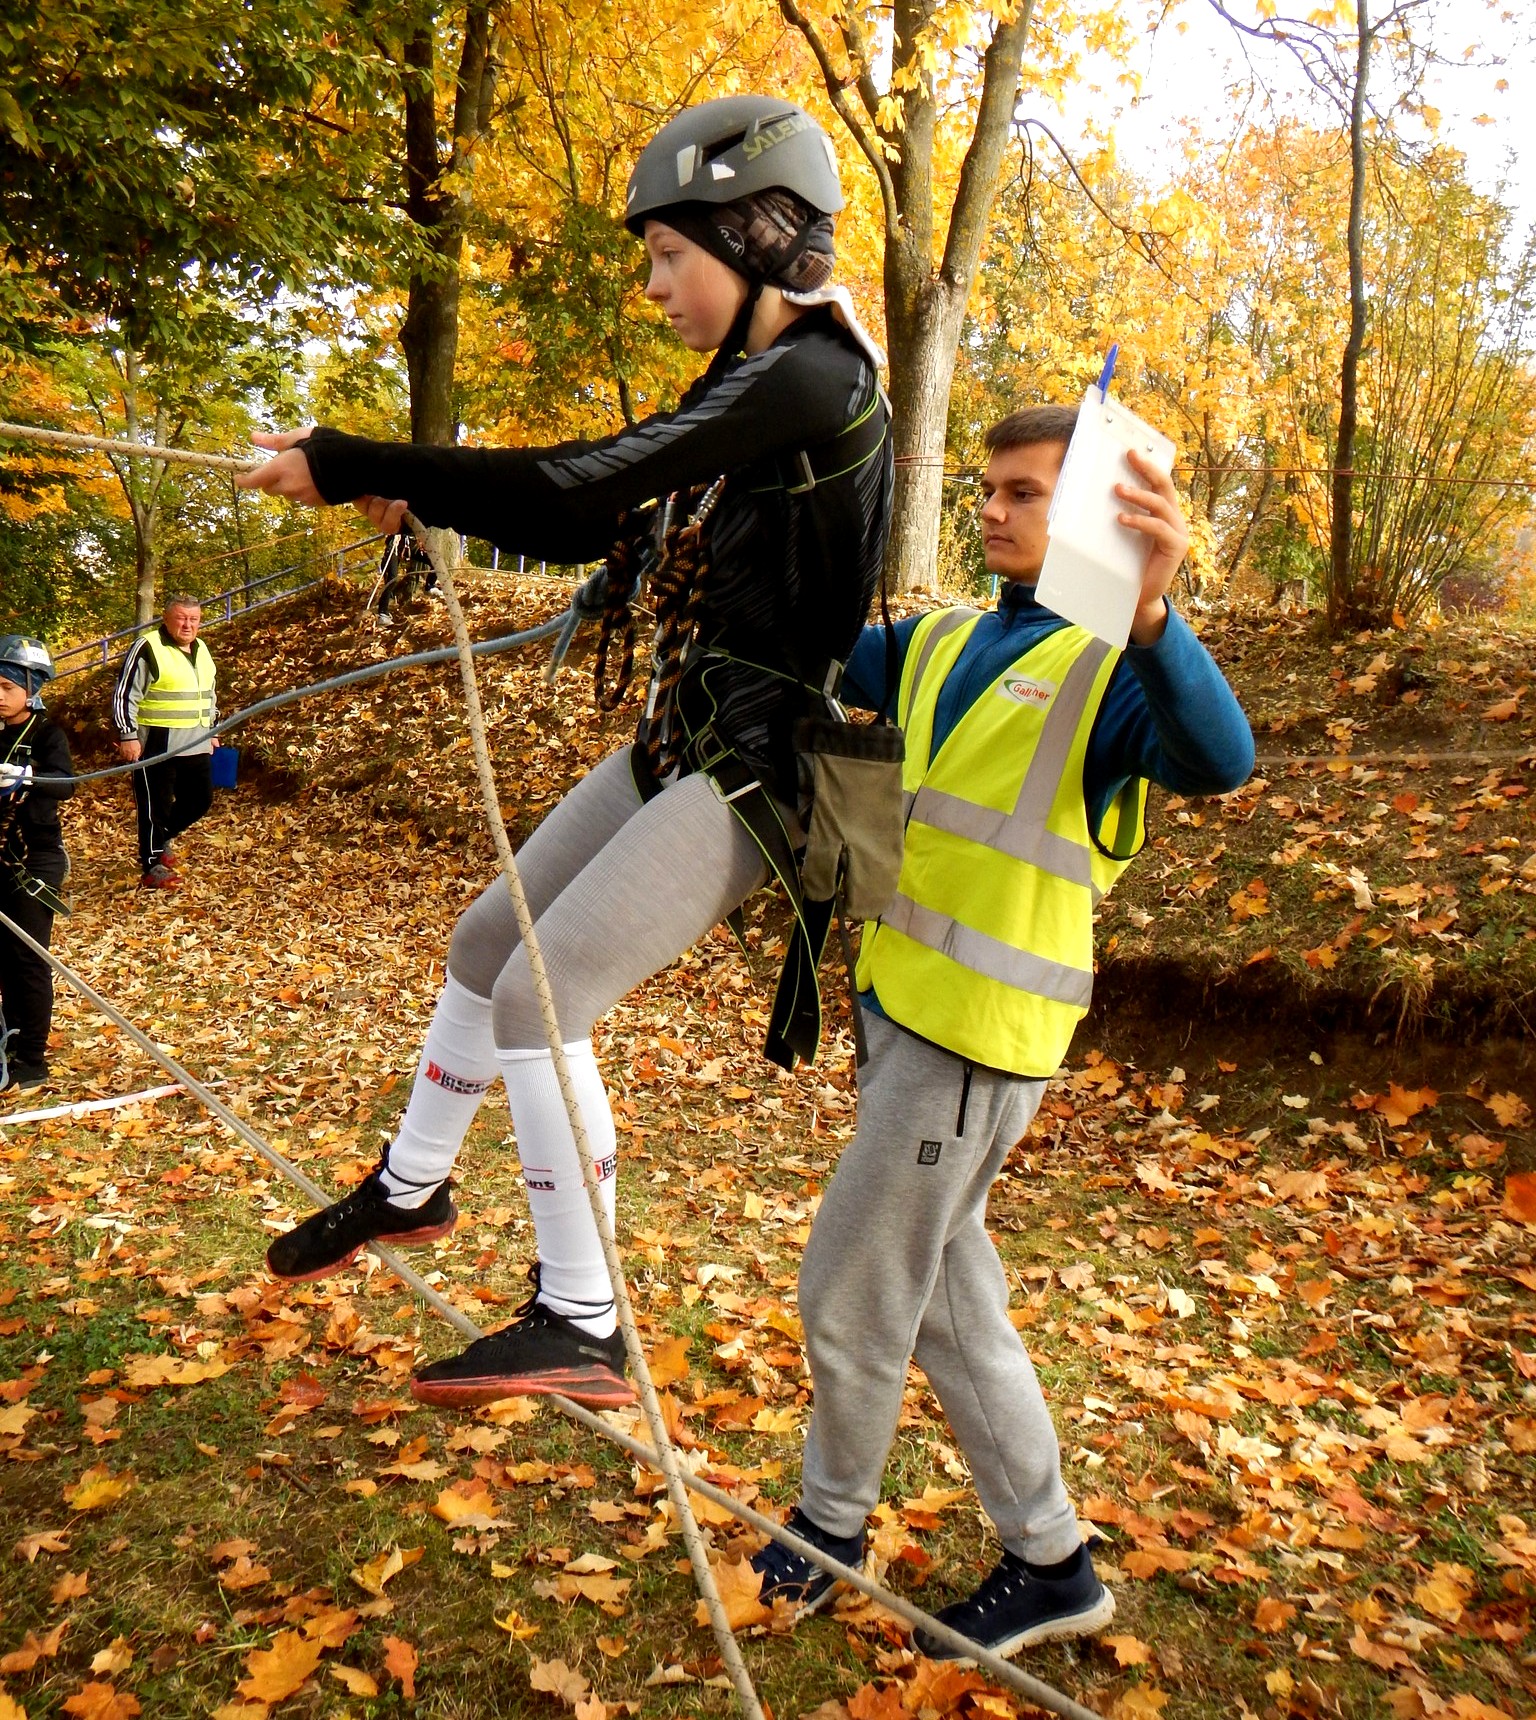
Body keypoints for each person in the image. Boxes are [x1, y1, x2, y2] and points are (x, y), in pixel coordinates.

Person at [236, 95, 894, 1412]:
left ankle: (581, 1321)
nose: (654, 286)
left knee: (542, 999)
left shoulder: (816, 379)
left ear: (758, 237)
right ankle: (413, 1186)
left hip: (763, 763)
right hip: (682, 735)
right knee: (487, 946)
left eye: (668, 255)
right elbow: (591, 528)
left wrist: (354, 453)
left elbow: (582, 483)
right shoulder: (749, 386)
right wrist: (417, 493)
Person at [747, 404, 1254, 1662]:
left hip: (976, 1045)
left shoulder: (1108, 676)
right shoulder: (943, 642)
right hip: (901, 1018)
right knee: (946, 1298)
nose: (993, 508)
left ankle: (830, 1527)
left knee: (852, 1287)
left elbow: (1224, 756)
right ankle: (1052, 1559)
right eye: (988, 488)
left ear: (1083, 514)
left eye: (1026, 492)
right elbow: (812, 637)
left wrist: (1148, 619)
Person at [0, 636, 75, 1093]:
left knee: (28, 958)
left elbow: (66, 784)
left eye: (7, 687)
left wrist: (30, 777)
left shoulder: (48, 735)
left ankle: (31, 1057)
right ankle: (7, 1036)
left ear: (31, 687)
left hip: (34, 860)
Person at [112, 595, 218, 891]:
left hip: (195, 739)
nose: (188, 625)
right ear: (166, 618)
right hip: (156, 740)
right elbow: (124, 694)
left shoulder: (202, 649)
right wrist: (128, 734)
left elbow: (208, 692)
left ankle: (161, 839)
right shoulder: (148, 647)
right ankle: (152, 866)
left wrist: (213, 729)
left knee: (200, 799)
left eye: (193, 619)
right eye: (181, 618)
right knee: (153, 806)